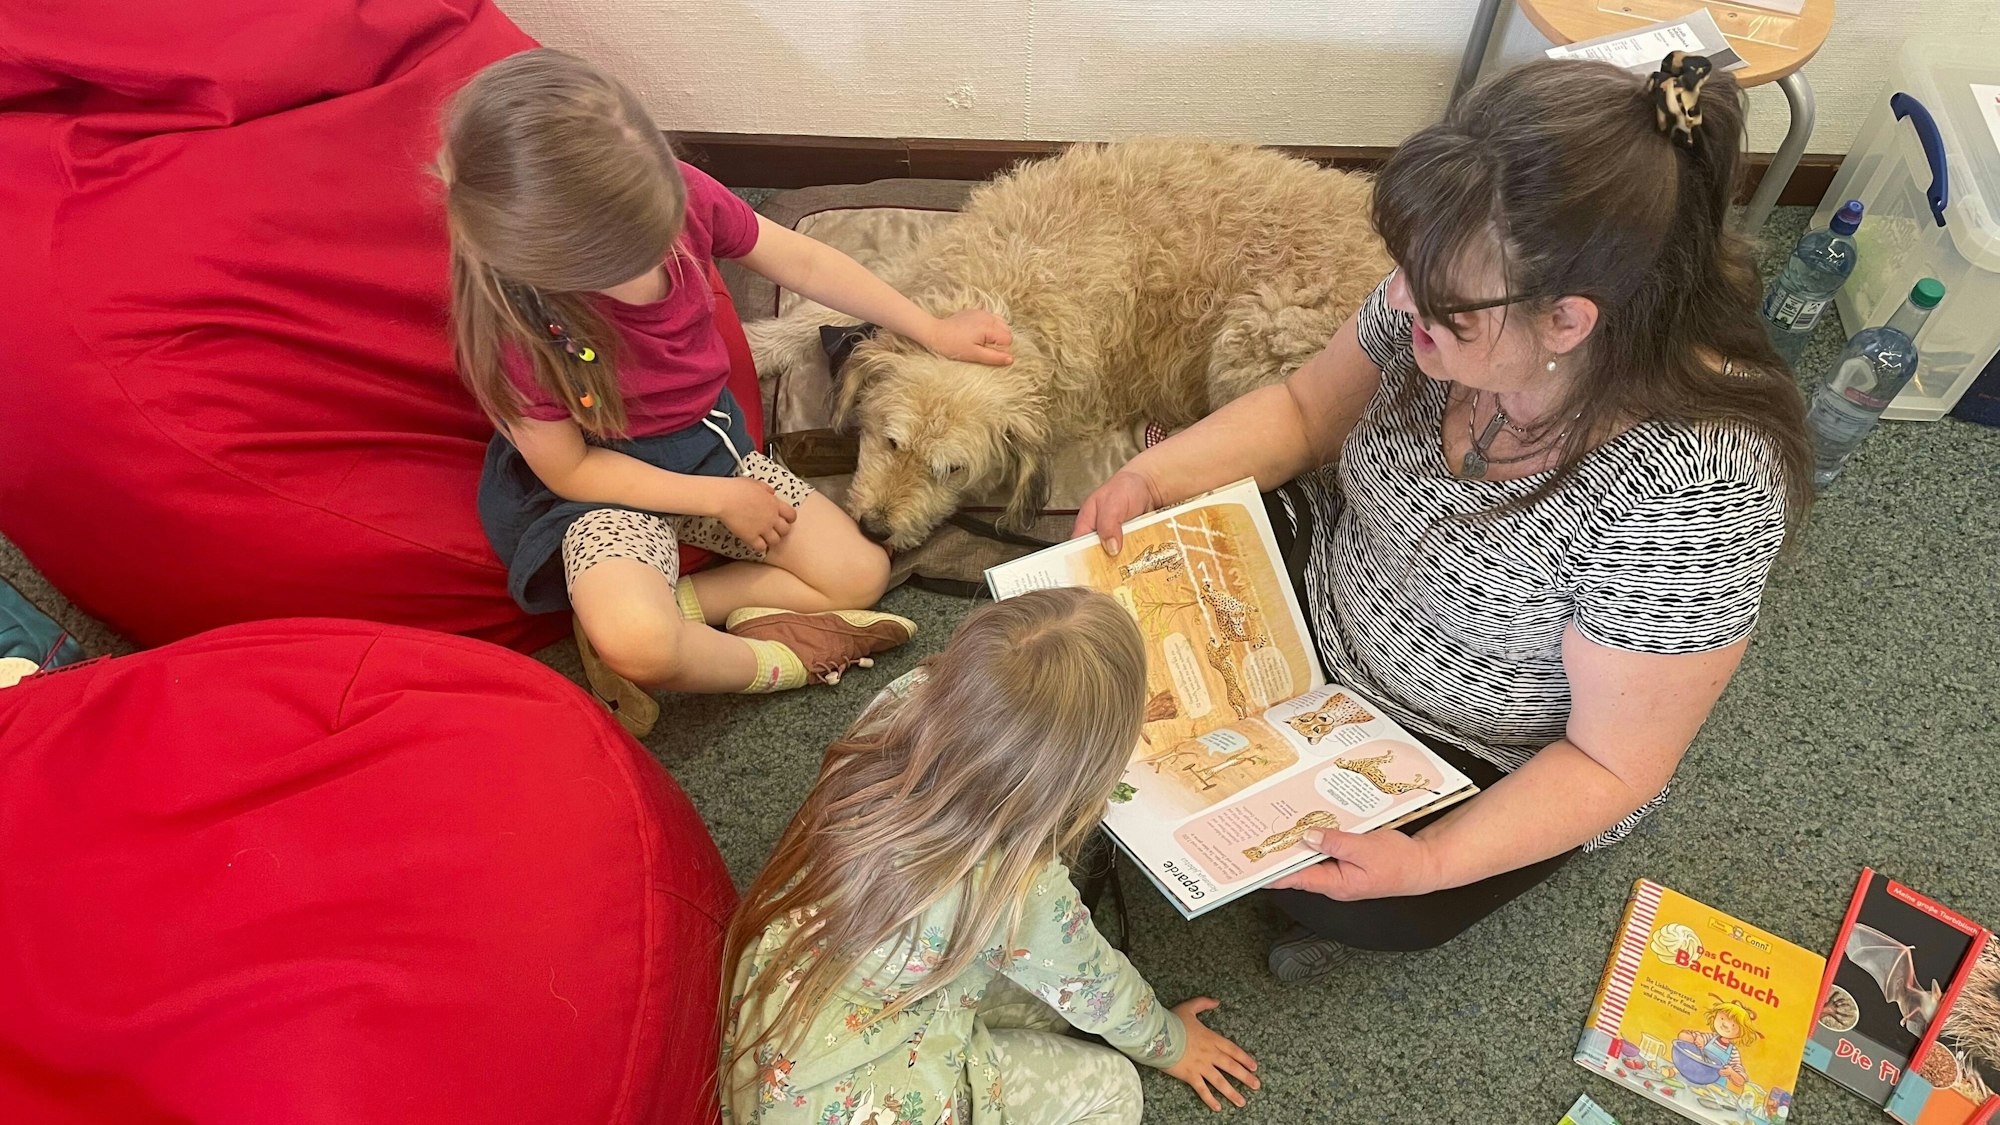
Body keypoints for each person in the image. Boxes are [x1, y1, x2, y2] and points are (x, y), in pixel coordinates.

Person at [1072, 55, 1813, 980]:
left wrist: (1429, 861)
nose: (1401, 304)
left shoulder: (1697, 494)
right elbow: (1305, 412)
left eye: (1445, 309)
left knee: (1357, 896)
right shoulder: (1444, 291)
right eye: (1408, 273)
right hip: (1334, 575)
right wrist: (1152, 475)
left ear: (1569, 322)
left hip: (1465, 741)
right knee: (1089, 619)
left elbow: (1612, 764)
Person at [438, 50, 1015, 734]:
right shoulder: (517, 337)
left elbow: (801, 259)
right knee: (638, 642)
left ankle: (685, 604)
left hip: (708, 448)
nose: (668, 258)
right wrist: (719, 499)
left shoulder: (674, 194)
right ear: (559, 271)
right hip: (603, 492)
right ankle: (777, 658)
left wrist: (929, 327)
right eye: (635, 258)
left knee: (860, 573)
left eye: (664, 233)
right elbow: (572, 469)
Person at [719, 589, 1259, 1124]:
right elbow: (1097, 988)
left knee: (1047, 1004)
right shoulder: (1020, 889)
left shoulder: (905, 698)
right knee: (1115, 1087)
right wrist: (1174, 1043)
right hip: (850, 1099)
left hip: (784, 1013)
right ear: (1076, 775)